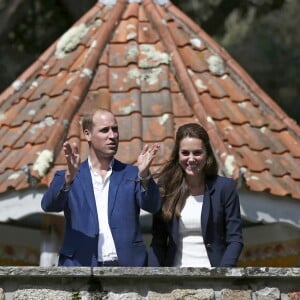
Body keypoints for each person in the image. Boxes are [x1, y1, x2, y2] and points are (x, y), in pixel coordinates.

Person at [41, 108, 161, 267]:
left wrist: (145, 175)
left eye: (115, 129)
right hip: (81, 266)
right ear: (87, 134)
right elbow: (49, 205)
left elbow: (153, 206)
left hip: (128, 268)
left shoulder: (132, 173)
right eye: (105, 130)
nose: (113, 136)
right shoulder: (68, 176)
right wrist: (69, 179)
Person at [148, 123, 243, 267]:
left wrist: (224, 276)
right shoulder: (167, 188)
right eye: (185, 153)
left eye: (197, 153)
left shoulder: (225, 188)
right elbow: (158, 241)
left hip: (215, 276)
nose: (191, 159)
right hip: (175, 277)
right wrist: (151, 279)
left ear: (207, 154)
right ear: (177, 155)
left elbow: (235, 239)